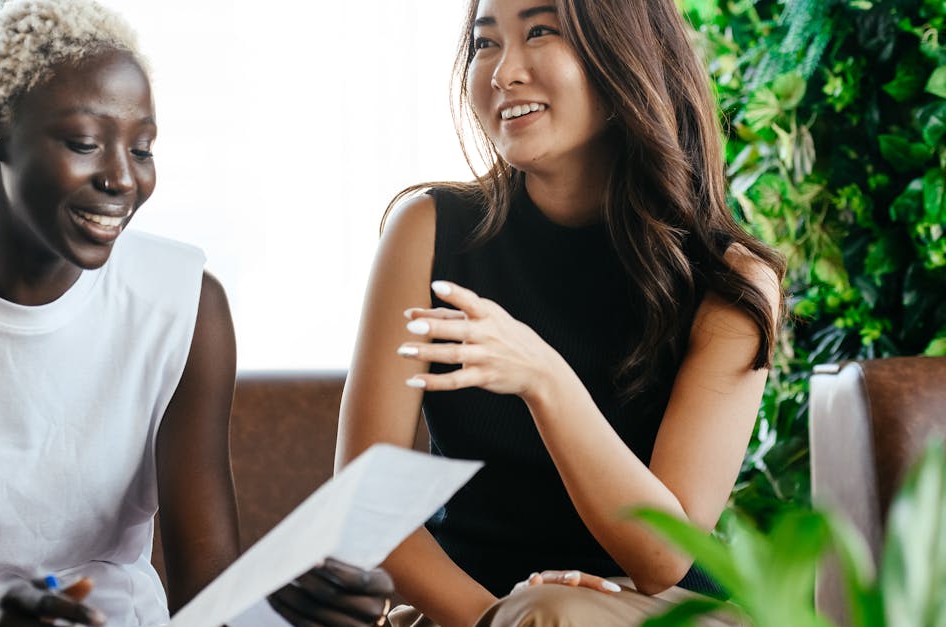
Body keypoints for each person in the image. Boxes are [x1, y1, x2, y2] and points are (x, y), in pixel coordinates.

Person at [0, 1, 392, 625]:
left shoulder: (186, 303)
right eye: (85, 143)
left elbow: (207, 591)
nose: (122, 179)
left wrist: (296, 603)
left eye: (142, 149)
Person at [334, 0, 785, 624]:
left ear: (625, 56)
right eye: (484, 42)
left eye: (540, 31)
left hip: (660, 608)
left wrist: (545, 380)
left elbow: (663, 556)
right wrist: (503, 617)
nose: (502, 71)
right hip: (483, 612)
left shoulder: (728, 283)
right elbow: (366, 505)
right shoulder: (429, 232)